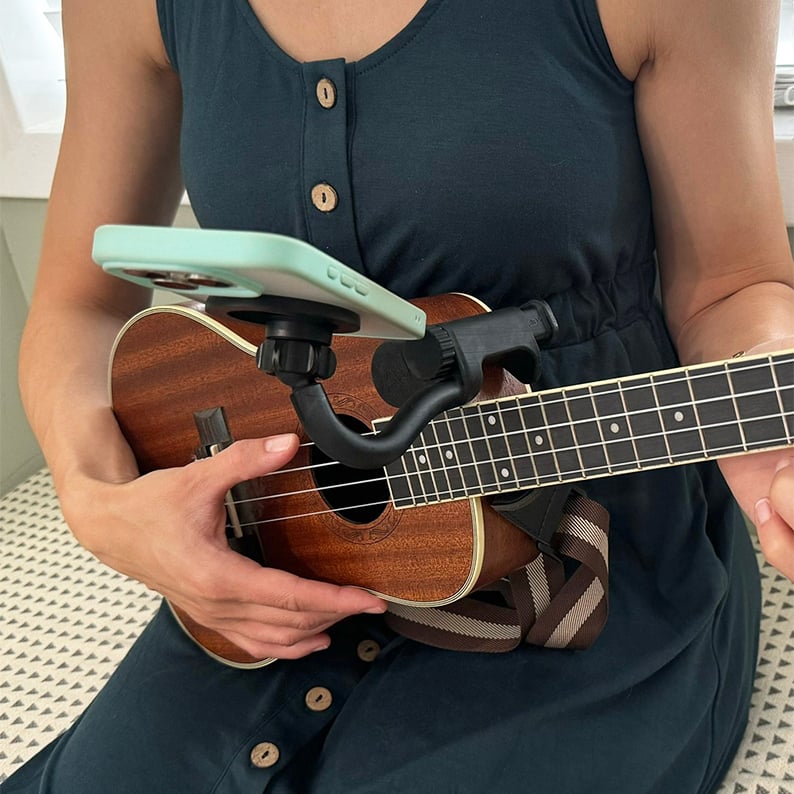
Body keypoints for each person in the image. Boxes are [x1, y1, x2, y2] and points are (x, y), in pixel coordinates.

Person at [4, 0, 794, 791]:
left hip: (592, 552)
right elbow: (80, 305)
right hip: (274, 547)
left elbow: (733, 286)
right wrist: (97, 503)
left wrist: (767, 406)